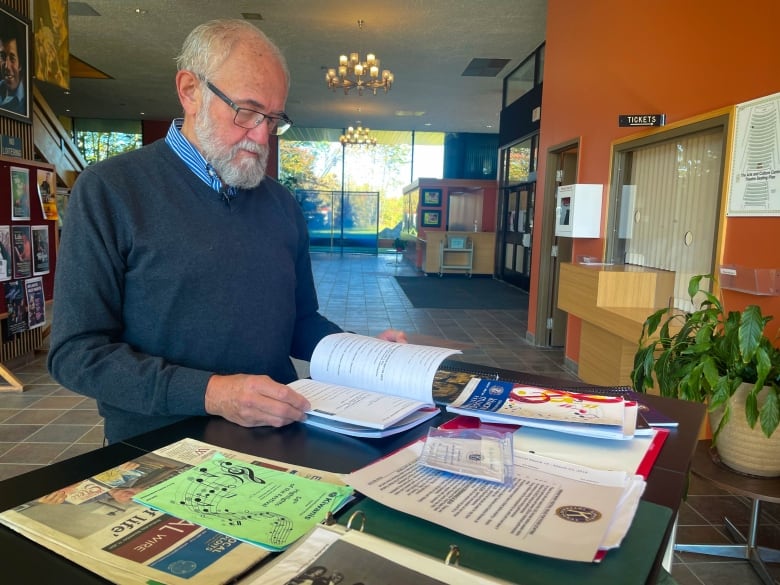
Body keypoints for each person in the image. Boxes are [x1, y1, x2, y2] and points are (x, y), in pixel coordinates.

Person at [47, 19, 406, 443]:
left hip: (277, 436)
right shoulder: (111, 190)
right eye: (247, 111)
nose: (260, 135)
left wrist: (363, 355)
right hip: (155, 444)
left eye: (273, 119)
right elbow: (76, 353)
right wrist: (212, 394)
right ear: (190, 90)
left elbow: (300, 322)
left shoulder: (282, 205)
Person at [0, 21, 26, 115]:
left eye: (12, 58)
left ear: (21, 64)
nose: (6, 66)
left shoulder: (24, 102)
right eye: (2, 57)